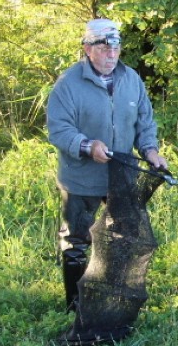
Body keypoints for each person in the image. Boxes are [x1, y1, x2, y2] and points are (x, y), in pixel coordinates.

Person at [47, 18, 168, 312]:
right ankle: (75, 306)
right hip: (80, 178)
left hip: (121, 175)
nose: (111, 54)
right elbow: (58, 130)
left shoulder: (131, 79)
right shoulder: (68, 84)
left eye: (116, 47)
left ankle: (115, 296)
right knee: (76, 240)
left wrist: (151, 151)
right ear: (88, 48)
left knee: (124, 237)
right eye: (103, 47)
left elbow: (144, 122)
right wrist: (88, 146)